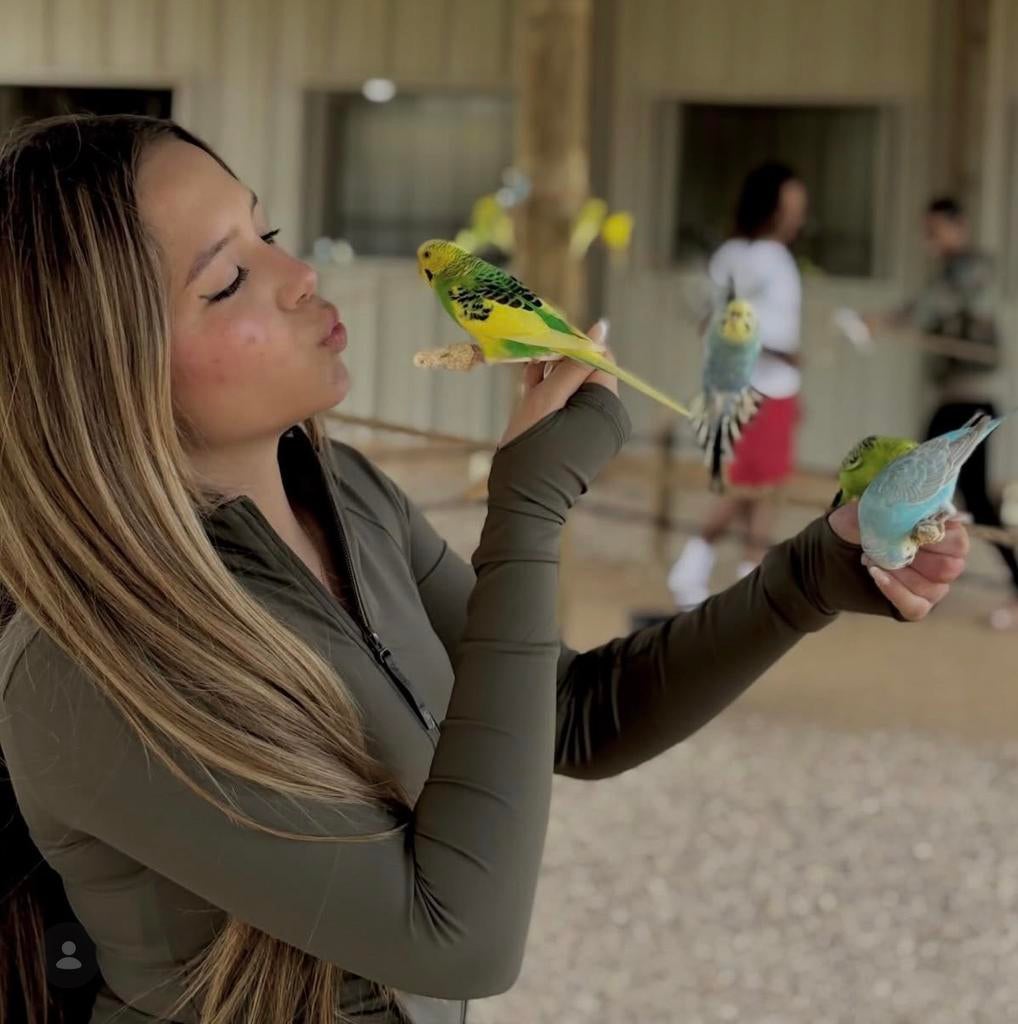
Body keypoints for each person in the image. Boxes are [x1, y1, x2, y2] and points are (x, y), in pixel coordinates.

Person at [0, 115, 967, 1024]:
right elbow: (454, 936)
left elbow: (575, 712)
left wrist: (813, 576)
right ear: (100, 368)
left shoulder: (343, 496)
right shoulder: (82, 666)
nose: (298, 274)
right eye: (226, 281)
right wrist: (527, 514)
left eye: (271, 232)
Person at [863, 196, 1018, 630]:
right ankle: (925, 576)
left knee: (959, 495)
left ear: (958, 226)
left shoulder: (971, 270)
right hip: (955, 397)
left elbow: (932, 305)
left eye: (935, 231)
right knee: (937, 492)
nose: (929, 241)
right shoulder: (950, 274)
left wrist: (887, 321)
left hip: (973, 400)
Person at [668, 162, 807, 608]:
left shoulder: (728, 254)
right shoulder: (771, 261)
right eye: (792, 206)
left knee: (763, 483)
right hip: (764, 385)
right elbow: (729, 324)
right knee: (754, 485)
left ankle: (742, 572)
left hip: (749, 383)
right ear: (772, 208)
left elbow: (711, 320)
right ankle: (698, 565)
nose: (798, 216)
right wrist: (781, 353)